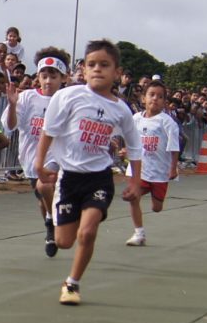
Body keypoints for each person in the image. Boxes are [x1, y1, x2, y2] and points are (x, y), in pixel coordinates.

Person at [35, 39, 141, 303]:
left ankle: (72, 284)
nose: (97, 70)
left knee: (88, 232)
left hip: (99, 178)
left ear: (117, 72)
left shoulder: (122, 110)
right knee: (65, 242)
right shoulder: (68, 96)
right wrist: (39, 164)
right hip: (68, 178)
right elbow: (49, 132)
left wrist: (135, 182)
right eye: (91, 64)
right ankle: (56, 228)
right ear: (82, 69)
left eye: (104, 65)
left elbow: (135, 148)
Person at [5, 49, 69, 254]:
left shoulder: (66, 100)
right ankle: (50, 224)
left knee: (45, 186)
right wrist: (12, 106)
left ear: (63, 78)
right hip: (30, 159)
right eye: (44, 76)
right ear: (38, 77)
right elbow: (11, 126)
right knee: (43, 197)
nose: (48, 81)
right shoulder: (27, 98)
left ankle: (53, 221)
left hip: (56, 157)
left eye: (53, 76)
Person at [125, 78, 180, 246]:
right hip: (138, 170)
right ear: (143, 98)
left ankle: (152, 193)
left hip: (159, 172)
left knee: (157, 208)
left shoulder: (167, 122)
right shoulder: (135, 119)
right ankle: (139, 233)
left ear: (164, 102)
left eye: (160, 96)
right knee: (133, 198)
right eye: (151, 95)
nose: (155, 99)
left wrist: (173, 168)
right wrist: (125, 151)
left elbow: (174, 147)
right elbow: (130, 139)